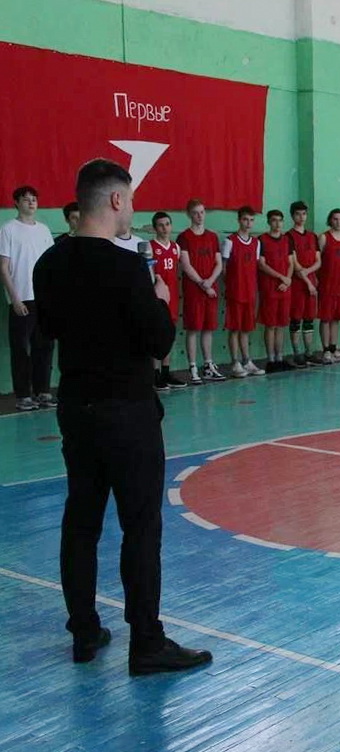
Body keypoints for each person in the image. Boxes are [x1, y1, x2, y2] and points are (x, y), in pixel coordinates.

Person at [32, 157, 212, 675]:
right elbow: (159, 341)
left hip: (76, 408)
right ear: (115, 200)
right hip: (127, 413)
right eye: (129, 200)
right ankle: (146, 643)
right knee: (140, 526)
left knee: (81, 520)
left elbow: (49, 330)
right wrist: (160, 299)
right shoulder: (127, 266)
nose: (131, 209)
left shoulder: (49, 263)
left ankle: (84, 631)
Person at [1, 185, 56, 410]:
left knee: (45, 346)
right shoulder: (8, 229)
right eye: (26, 199)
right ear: (16, 203)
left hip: (43, 299)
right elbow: (3, 268)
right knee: (21, 348)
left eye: (34, 199)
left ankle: (43, 391)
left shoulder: (43, 230)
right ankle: (23, 395)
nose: (31, 202)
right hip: (21, 298)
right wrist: (14, 299)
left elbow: (51, 265)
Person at [177, 200, 225, 384]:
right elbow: (186, 265)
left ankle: (208, 365)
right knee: (193, 328)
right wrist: (202, 284)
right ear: (189, 214)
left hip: (210, 289)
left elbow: (218, 263)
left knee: (208, 328)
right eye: (196, 213)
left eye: (202, 212)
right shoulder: (184, 237)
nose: (200, 216)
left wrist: (210, 282)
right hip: (194, 290)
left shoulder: (212, 237)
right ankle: (193, 368)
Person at [222, 206, 264, 377]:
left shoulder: (256, 243)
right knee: (234, 328)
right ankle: (235, 362)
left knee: (246, 328)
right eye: (245, 219)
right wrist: (231, 285)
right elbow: (223, 268)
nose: (248, 223)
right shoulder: (230, 241)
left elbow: (254, 266)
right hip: (235, 292)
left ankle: (247, 361)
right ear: (239, 220)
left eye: (251, 220)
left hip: (250, 292)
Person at [149, 212, 187, 390]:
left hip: (172, 297)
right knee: (156, 334)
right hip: (157, 298)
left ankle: (166, 372)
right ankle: (155, 374)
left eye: (167, 224)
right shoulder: (150, 247)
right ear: (155, 228)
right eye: (160, 225)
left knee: (169, 335)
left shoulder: (175, 247)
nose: (164, 228)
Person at [287, 201, 325, 367]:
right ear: (292, 216)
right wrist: (307, 281)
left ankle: (309, 352)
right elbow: (295, 265)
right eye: (298, 214)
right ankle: (297, 353)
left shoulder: (312, 236)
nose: (301, 217)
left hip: (311, 282)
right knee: (296, 319)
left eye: (304, 214)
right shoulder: (289, 236)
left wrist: (309, 276)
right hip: (298, 284)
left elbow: (318, 261)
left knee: (309, 319)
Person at [257, 209, 295, 372]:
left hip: (284, 289)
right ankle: (271, 359)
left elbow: (291, 263)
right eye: (274, 220)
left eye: (280, 220)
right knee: (270, 325)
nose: (277, 223)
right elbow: (262, 264)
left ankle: (279, 357)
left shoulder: (287, 239)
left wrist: (287, 280)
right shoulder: (262, 240)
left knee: (281, 324)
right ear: (269, 222)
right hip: (269, 287)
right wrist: (281, 277)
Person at [318, 208, 340, 363]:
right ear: (330, 220)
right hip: (327, 284)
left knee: (337, 318)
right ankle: (325, 350)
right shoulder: (324, 237)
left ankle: (333, 348)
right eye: (335, 219)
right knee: (326, 318)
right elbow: (317, 261)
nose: (338, 222)